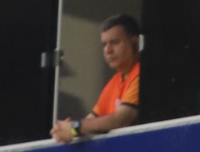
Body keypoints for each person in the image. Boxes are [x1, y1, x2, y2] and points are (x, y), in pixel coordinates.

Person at [52, 15, 141, 143]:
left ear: (135, 43)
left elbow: (120, 120)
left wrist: (74, 128)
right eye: (104, 44)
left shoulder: (140, 74)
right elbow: (91, 122)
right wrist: (64, 130)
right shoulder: (113, 82)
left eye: (114, 42)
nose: (108, 50)